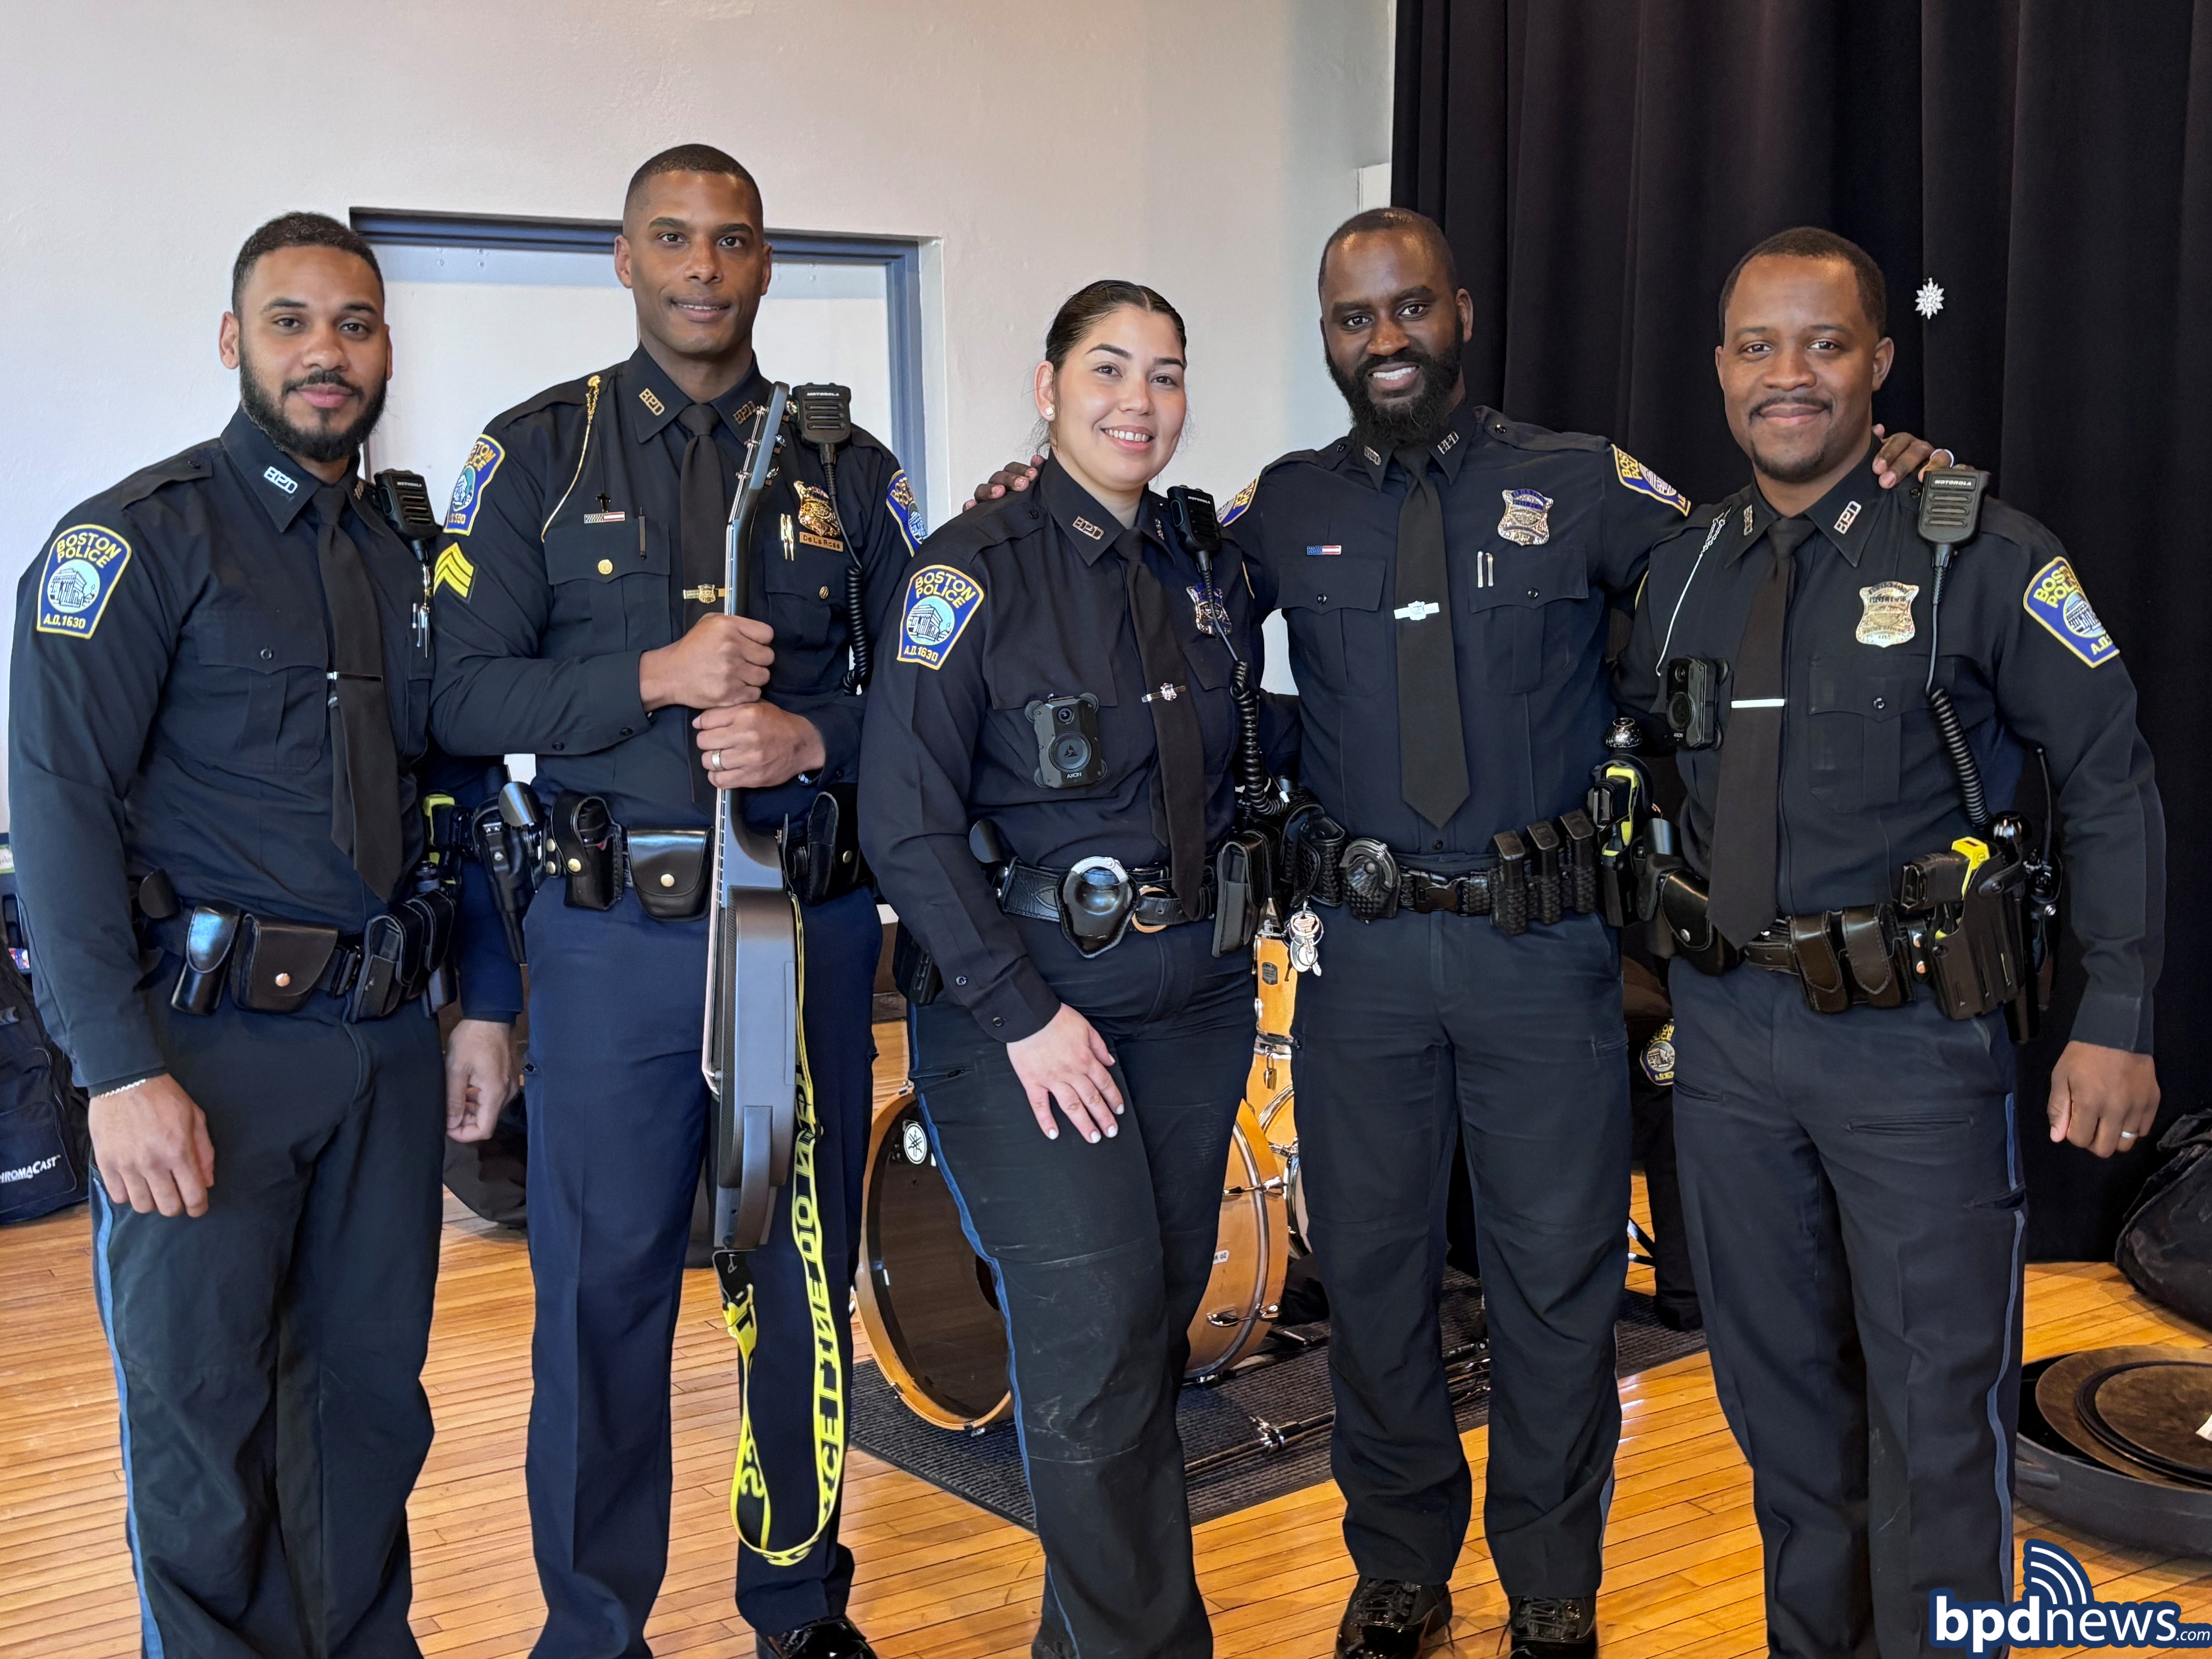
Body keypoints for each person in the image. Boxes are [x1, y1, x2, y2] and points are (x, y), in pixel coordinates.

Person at [971, 208, 1941, 1659]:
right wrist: (1028, 489)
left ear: (1462, 313)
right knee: (1369, 1279)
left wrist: (1879, 475)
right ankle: (1400, 1566)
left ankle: (1553, 1581)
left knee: (1557, 1285)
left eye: (1409, 309)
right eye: (1355, 319)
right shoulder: (1276, 509)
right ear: (1327, 336)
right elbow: (1151, 574)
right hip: (1358, 963)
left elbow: (1754, 556)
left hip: (1539, 954)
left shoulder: (1585, 481)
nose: (1386, 341)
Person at [1614, 226, 2162, 1658]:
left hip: (1913, 1051)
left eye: (1822, 344)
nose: (1787, 375)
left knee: (1932, 1417)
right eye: (1757, 347)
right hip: (1731, 1047)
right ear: (1721, 370)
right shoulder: (1683, 571)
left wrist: (2117, 1008)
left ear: (1878, 363)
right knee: (1781, 1406)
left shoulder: (1983, 550)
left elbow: (2109, 775)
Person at [428, 144, 918, 1659]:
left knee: (799, 1283)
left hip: (794, 938)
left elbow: (934, 691)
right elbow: (453, 690)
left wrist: (811, 738)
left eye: (732, 240)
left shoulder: (850, 470)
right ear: (624, 260)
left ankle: (796, 1608)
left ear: (766, 262)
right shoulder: (538, 457)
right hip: (612, 948)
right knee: (600, 1296)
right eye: (672, 239)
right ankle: (592, 1630)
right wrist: (647, 678)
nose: (704, 267)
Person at [9, 211, 519, 1659]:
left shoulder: (409, 558)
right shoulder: (134, 543)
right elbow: (56, 815)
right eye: (291, 323)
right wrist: (115, 1069)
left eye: (353, 325)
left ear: (386, 353)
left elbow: (454, 787)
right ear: (234, 343)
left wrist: (483, 993)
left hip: (383, 1050)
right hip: (205, 1055)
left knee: (366, 1405)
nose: (325, 354)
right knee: (201, 1413)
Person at [862, 280, 1286, 1659]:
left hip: (1194, 1003)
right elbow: (905, 825)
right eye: (1108, 370)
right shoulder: (964, 574)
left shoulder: (1205, 563)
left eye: (1166, 375)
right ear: (1045, 386)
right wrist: (1026, 1014)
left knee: (1140, 1344)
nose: (1138, 402)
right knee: (1096, 1344)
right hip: (1026, 1021)